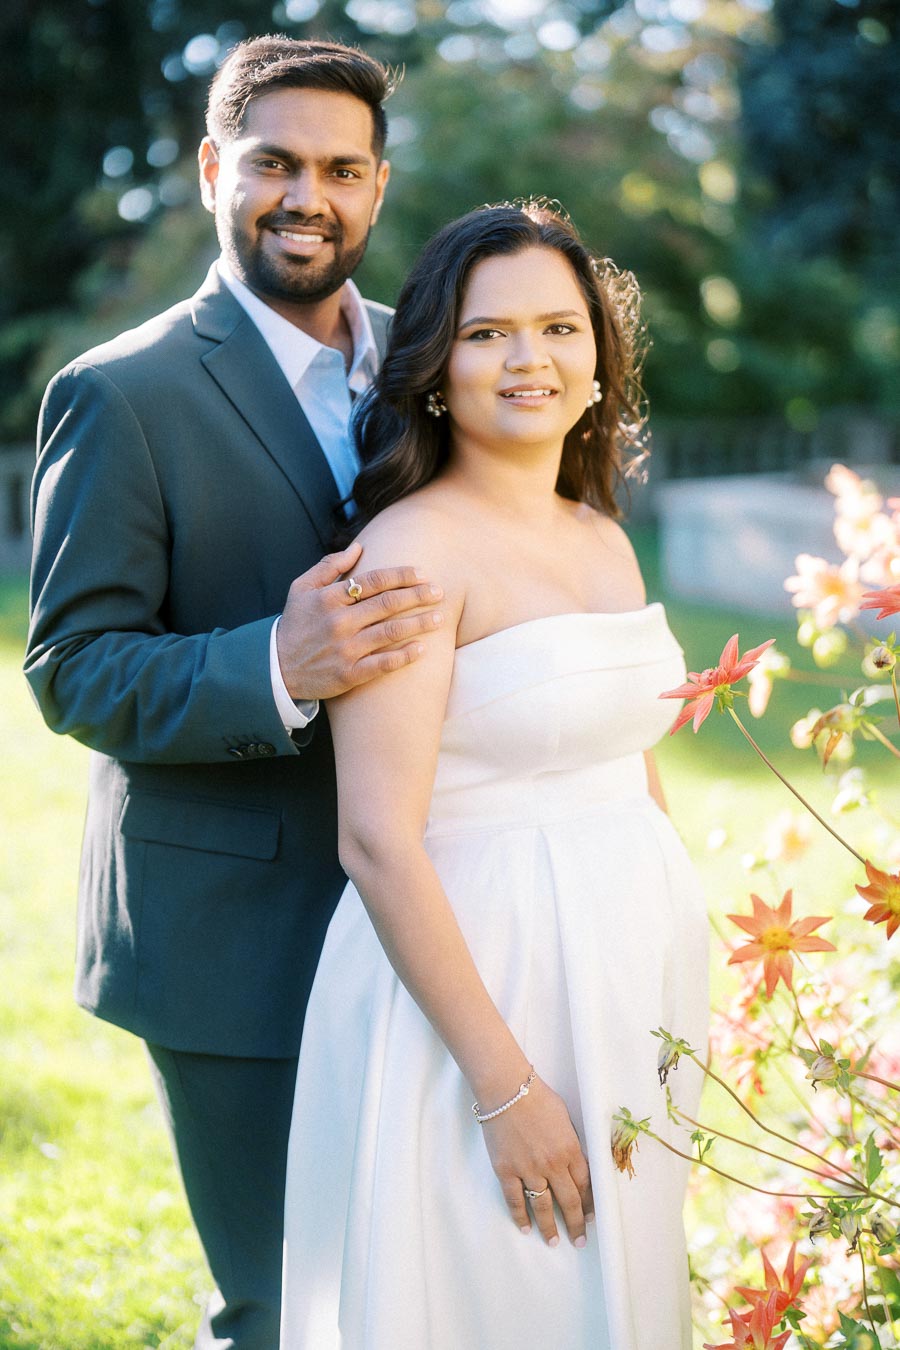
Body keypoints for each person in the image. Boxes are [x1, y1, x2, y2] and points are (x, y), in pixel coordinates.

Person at [24, 35, 444, 1350]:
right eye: (273, 163)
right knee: (280, 1303)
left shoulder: (439, 372)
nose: (304, 195)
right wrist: (275, 661)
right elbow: (72, 665)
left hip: (436, 907)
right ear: (215, 169)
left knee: (414, 1277)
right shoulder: (121, 394)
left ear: (377, 188)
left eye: (339, 167)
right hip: (231, 931)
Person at [279, 202, 710, 1350]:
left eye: (561, 329)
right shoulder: (411, 553)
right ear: (436, 366)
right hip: (483, 989)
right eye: (488, 334)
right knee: (499, 1296)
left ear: (599, 355)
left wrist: (674, 957)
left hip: (623, 982)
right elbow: (376, 836)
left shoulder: (603, 535)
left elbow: (631, 762)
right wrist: (506, 1089)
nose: (531, 360)